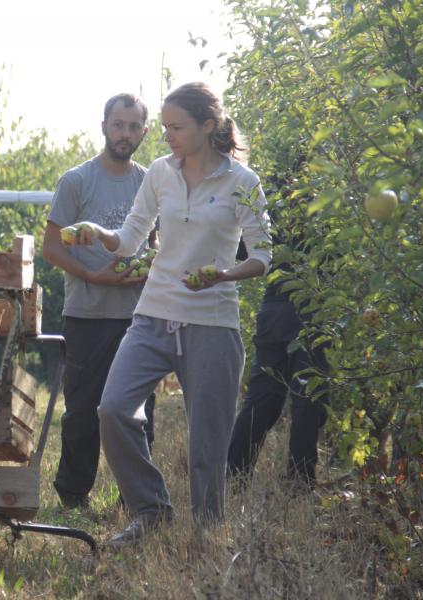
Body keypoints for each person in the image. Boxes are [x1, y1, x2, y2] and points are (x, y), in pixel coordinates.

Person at [67, 82, 272, 547]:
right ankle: (151, 510)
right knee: (113, 409)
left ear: (207, 125)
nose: (168, 137)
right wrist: (98, 232)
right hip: (153, 314)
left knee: (207, 443)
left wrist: (223, 274)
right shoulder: (159, 172)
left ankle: (206, 532)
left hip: (213, 324)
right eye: (164, 128)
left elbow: (263, 256)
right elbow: (131, 238)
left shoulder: (243, 183)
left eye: (176, 127)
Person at [42, 93, 158, 510]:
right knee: (82, 411)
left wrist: (146, 269)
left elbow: (157, 245)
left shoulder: (150, 181)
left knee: (139, 411)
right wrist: (94, 275)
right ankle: (74, 497)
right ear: (104, 126)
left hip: (139, 317)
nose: (124, 133)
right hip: (87, 313)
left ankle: (138, 497)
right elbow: (52, 248)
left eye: (133, 127)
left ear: (144, 132)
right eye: (118, 125)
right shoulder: (77, 181)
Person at [227, 209, 330, 490]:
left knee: (262, 399)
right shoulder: (326, 208)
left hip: (272, 310)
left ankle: (233, 474)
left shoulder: (273, 204)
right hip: (311, 309)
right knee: (308, 399)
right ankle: (300, 482)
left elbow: (242, 249)